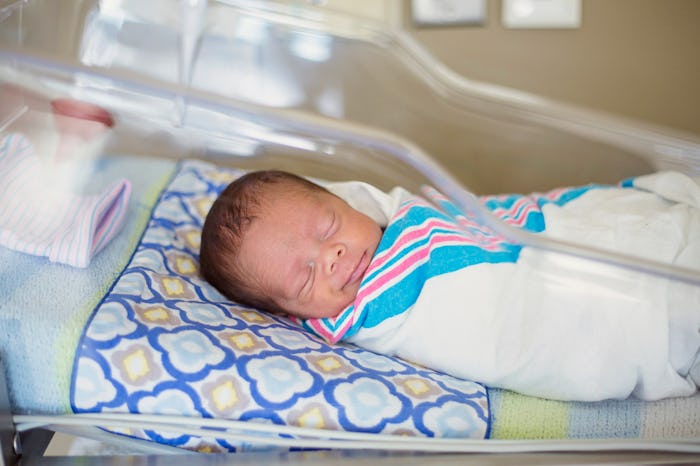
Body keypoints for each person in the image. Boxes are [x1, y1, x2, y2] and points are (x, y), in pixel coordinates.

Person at [200, 169, 700, 402]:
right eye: (305, 275)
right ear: (293, 314)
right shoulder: (377, 315)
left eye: (329, 228)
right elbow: (502, 324)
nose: (330, 258)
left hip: (561, 234)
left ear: (346, 201)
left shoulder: (398, 216)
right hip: (612, 308)